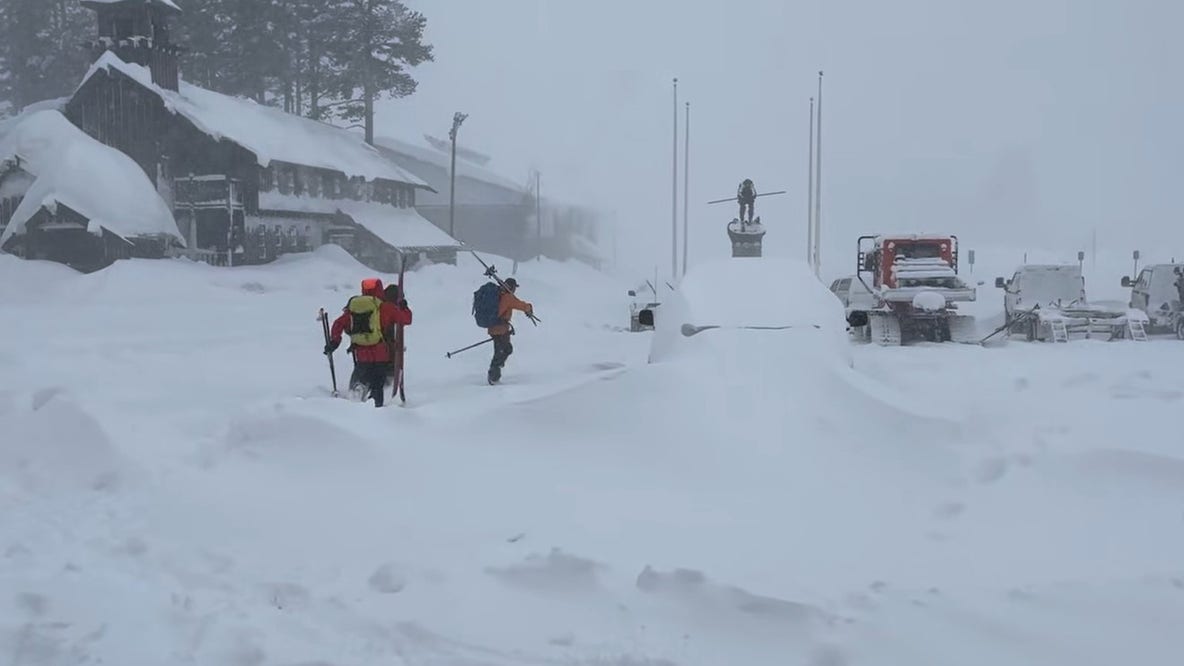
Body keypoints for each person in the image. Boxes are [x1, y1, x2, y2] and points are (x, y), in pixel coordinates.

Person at [324, 278, 411, 407]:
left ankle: (355, 396)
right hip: (381, 354)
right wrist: (404, 307)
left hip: (361, 354)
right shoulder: (385, 307)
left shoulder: (354, 308)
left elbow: (339, 323)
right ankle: (375, 408)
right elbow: (406, 319)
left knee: (360, 376)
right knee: (378, 384)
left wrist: (335, 341)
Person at [486, 277, 533, 385]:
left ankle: (495, 371)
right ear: (512, 287)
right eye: (515, 288)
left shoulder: (499, 294)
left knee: (504, 349)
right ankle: (493, 375)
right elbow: (520, 305)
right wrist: (529, 308)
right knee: (502, 350)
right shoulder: (508, 297)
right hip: (500, 328)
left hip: (494, 327)